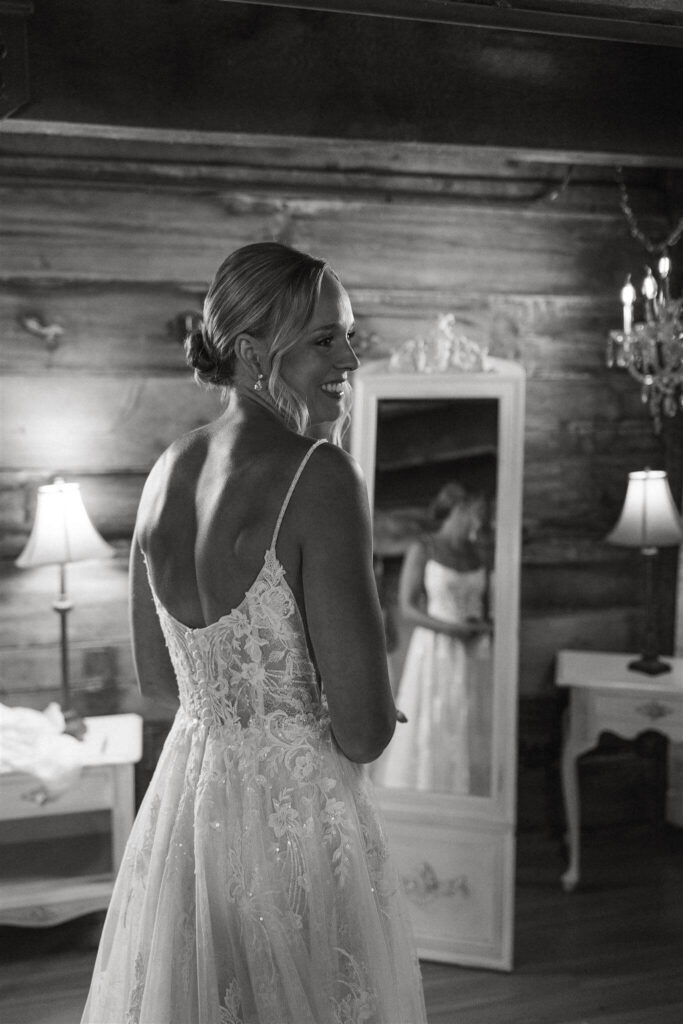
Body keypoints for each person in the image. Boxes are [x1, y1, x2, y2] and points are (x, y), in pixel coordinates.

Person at [81, 242, 427, 1024]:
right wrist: (352, 700)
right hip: (296, 828)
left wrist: (247, 700)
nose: (350, 357)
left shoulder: (166, 469)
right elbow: (365, 731)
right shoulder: (319, 476)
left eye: (348, 333)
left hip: (186, 821)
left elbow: (161, 680)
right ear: (248, 352)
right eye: (323, 339)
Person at [374, 482, 493, 795]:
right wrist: (449, 629)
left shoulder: (477, 554)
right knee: (434, 718)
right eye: (476, 512)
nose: (480, 519)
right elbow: (408, 608)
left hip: (473, 648)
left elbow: (488, 604)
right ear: (460, 510)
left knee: (468, 718)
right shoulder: (423, 548)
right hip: (435, 647)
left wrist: (480, 627)